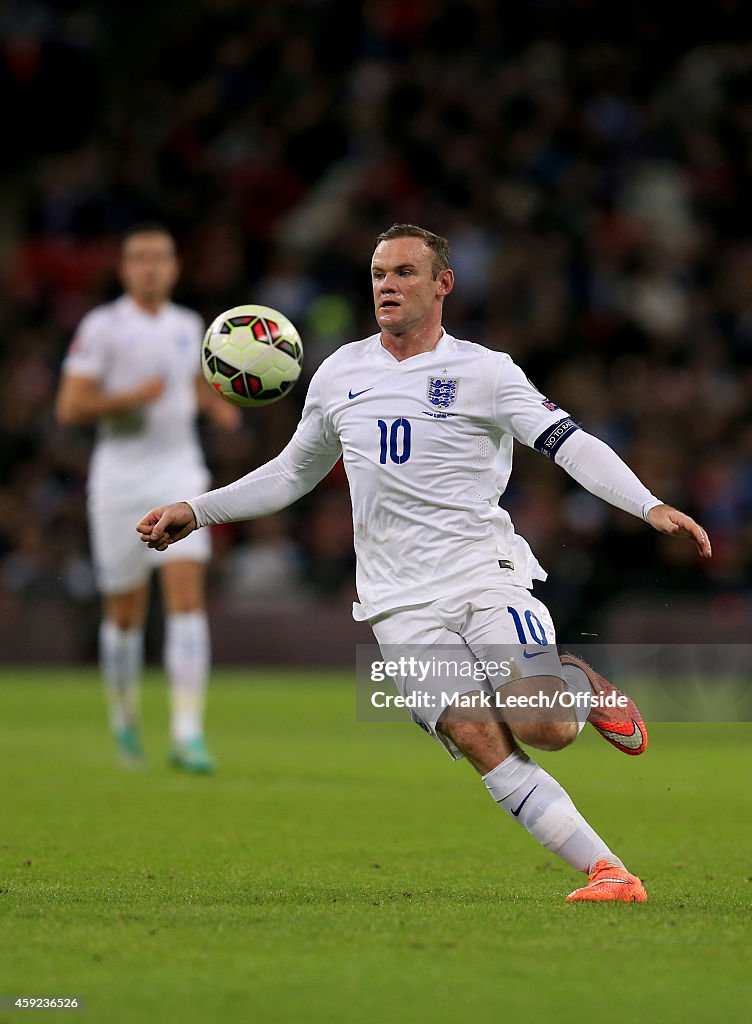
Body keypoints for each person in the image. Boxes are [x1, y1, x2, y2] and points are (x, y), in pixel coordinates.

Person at [136, 224, 711, 900]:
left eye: (405, 272)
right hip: (396, 602)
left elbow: (568, 443)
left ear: (443, 284)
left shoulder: (487, 372)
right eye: (379, 273)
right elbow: (293, 473)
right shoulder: (340, 373)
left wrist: (648, 505)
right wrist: (196, 509)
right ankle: (609, 871)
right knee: (477, 737)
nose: (387, 285)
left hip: (481, 577)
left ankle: (580, 684)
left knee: (544, 726)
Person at [56, 223, 239, 772]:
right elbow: (70, 406)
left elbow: (192, 384)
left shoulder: (190, 326)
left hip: (179, 472)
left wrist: (214, 404)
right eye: (139, 258)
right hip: (118, 481)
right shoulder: (103, 326)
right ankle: (126, 721)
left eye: (160, 257)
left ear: (175, 267)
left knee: (186, 596)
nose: (150, 266)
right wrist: (132, 398)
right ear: (124, 269)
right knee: (125, 613)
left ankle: (188, 733)